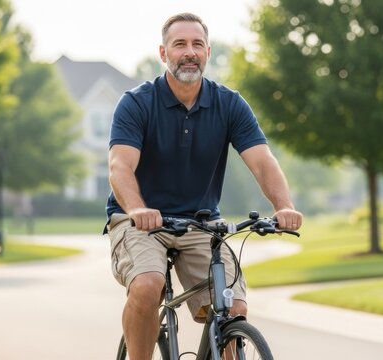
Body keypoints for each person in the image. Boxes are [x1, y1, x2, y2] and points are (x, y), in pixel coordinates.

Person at [105, 12, 303, 359]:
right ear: (163, 53)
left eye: (197, 44)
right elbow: (120, 165)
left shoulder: (229, 104)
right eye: (180, 44)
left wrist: (283, 206)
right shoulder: (137, 103)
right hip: (140, 221)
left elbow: (262, 161)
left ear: (208, 53)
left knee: (233, 308)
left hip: (200, 222)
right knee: (148, 286)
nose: (189, 51)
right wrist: (137, 208)